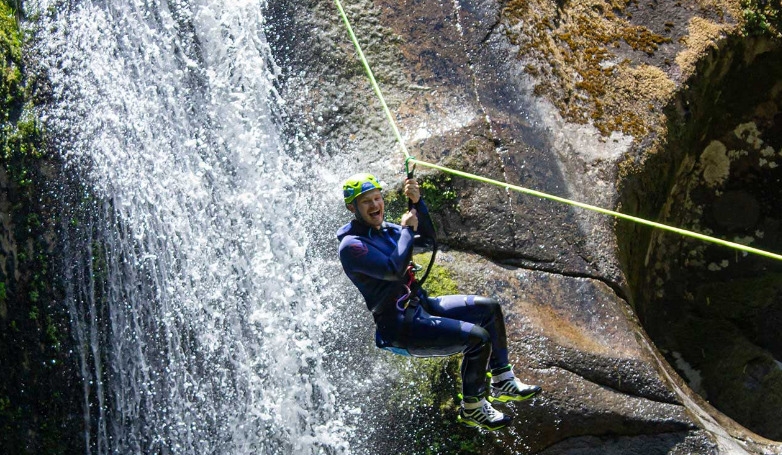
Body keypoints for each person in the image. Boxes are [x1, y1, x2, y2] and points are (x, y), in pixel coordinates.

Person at [336, 172, 541, 431]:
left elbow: (426, 240)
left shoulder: (387, 231)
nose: (375, 205)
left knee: (489, 309)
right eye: (366, 202)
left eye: (377, 198)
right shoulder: (352, 246)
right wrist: (407, 231)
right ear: (352, 207)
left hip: (421, 307)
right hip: (400, 328)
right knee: (478, 338)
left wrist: (418, 202)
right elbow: (393, 269)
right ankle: (473, 408)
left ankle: (502, 380)